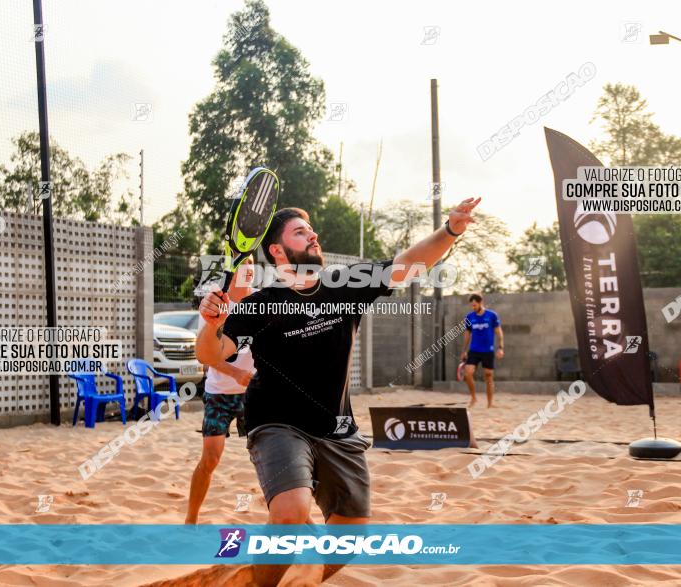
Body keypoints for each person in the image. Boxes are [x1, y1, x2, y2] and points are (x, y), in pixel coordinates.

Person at [196, 198, 480, 586]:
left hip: (336, 427)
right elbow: (209, 354)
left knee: (349, 538)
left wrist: (450, 231)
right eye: (300, 231)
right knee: (292, 514)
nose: (313, 235)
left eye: (311, 229)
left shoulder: (345, 284)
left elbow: (408, 265)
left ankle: (284, 573)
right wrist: (212, 321)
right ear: (278, 251)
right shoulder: (261, 305)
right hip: (277, 423)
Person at [184, 258, 256, 524]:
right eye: (243, 262)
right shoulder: (217, 300)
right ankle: (190, 518)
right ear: (232, 268)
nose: (249, 267)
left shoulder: (263, 301)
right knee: (211, 459)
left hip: (253, 394)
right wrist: (236, 372)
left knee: (271, 460)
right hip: (220, 393)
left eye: (252, 262)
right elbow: (205, 355)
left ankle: (300, 520)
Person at [460, 293, 503, 408]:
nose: (473, 307)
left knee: (488, 376)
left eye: (475, 305)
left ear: (480, 303)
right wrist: (464, 350)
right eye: (472, 306)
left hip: (488, 351)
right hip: (474, 350)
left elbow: (499, 333)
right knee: (468, 374)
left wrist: (500, 347)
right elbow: (467, 334)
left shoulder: (492, 315)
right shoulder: (470, 317)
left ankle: (490, 403)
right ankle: (474, 398)